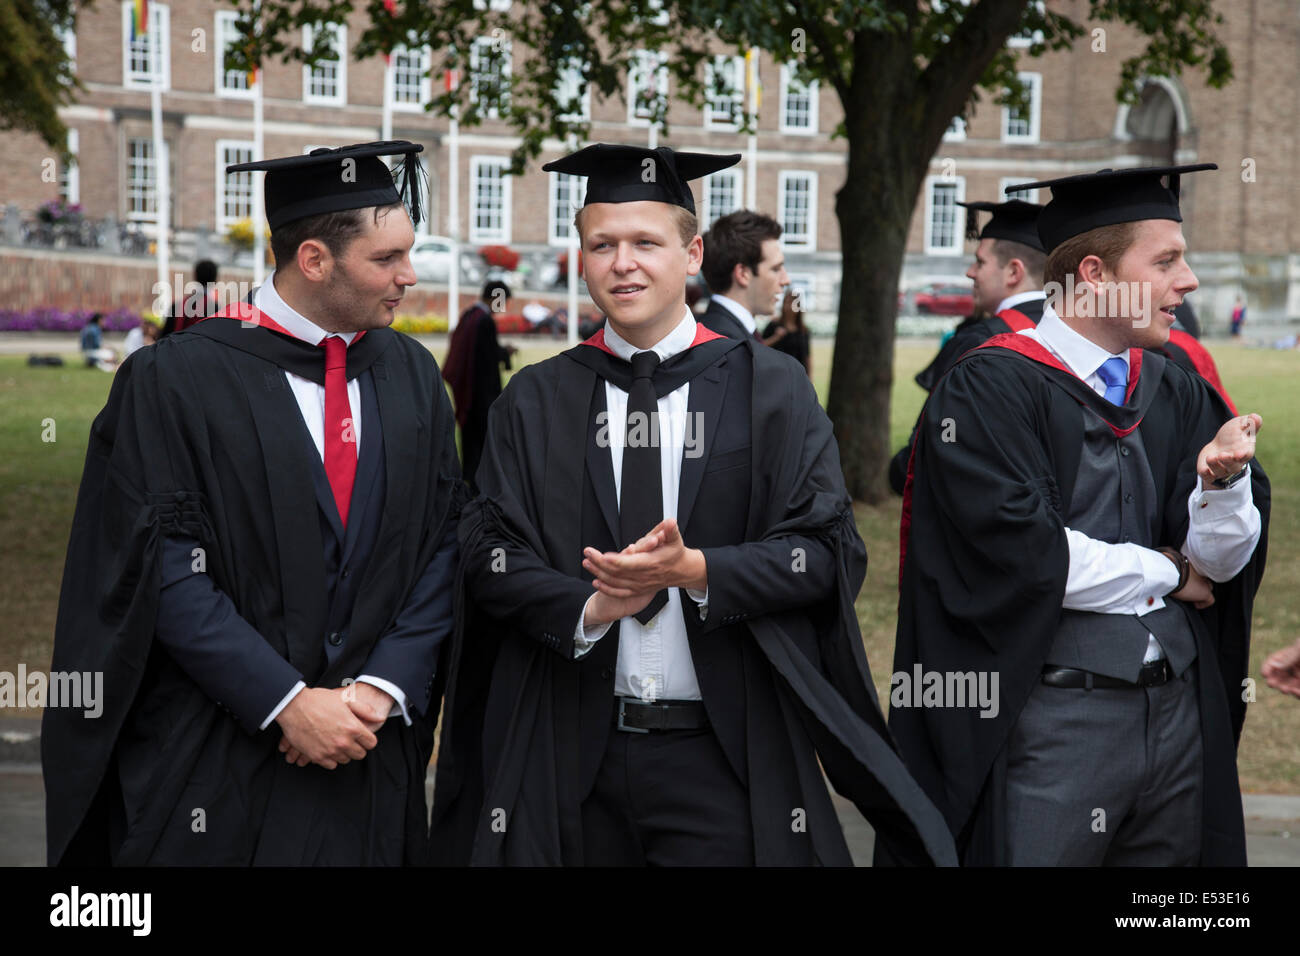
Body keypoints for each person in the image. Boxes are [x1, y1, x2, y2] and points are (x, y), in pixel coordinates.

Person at [429, 143, 955, 867]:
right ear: (580, 256)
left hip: (725, 757)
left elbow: (829, 550)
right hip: (568, 756)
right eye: (602, 244)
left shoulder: (769, 390)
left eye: (646, 242)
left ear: (692, 253)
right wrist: (585, 608)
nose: (623, 263)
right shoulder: (537, 400)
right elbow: (488, 554)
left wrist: (701, 569)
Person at [43, 140, 463, 866]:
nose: (409, 276)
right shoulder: (177, 381)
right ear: (314, 260)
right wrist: (287, 702)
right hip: (215, 763)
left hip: (369, 762)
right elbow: (159, 567)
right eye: (386, 258)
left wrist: (381, 686)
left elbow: (444, 541)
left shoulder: (411, 377)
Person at [888, 164, 1270, 866]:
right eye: (1166, 261)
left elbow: (1218, 568)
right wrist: (1166, 569)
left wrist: (1222, 485)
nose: (1188, 281)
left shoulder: (1172, 387)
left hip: (1177, 719)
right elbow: (1026, 554)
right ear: (1095, 273)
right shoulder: (991, 385)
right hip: (1054, 728)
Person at [890, 199, 1047, 494]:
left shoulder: (979, 342)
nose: (970, 272)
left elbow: (929, 448)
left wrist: (897, 470)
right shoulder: (1078, 335)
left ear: (1014, 272)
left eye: (980, 261)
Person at [442, 280, 518, 491]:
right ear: (496, 298)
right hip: (480, 394)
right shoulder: (484, 321)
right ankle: (478, 486)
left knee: (470, 442)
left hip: (468, 391)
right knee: (481, 443)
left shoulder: (470, 315)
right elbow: (486, 361)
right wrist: (505, 354)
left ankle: (469, 482)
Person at [699, 210, 789, 341]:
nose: (786, 280)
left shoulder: (718, 332)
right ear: (743, 274)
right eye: (775, 269)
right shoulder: (729, 346)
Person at [761, 287, 812, 377]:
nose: (789, 307)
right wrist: (776, 337)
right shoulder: (774, 325)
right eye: (787, 303)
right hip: (776, 375)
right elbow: (760, 346)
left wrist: (810, 378)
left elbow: (807, 356)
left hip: (798, 376)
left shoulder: (803, 331)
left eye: (793, 303)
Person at [162, 259, 221, 336]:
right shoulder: (217, 311)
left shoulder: (177, 306)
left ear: (195, 276)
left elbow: (164, 337)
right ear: (215, 279)